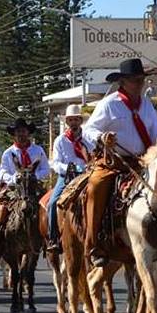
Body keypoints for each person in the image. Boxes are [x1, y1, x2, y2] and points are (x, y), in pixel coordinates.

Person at [82, 58, 157, 267]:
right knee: (96, 186)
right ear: (124, 82)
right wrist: (102, 138)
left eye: (141, 80)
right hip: (114, 162)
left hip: (143, 162)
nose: (140, 84)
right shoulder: (110, 104)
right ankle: (94, 244)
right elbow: (88, 130)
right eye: (135, 80)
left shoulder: (147, 106)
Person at [47, 104, 91, 251]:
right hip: (67, 177)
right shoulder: (60, 140)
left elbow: (94, 157)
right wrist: (69, 168)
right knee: (53, 203)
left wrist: (86, 167)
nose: (73, 123)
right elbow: (55, 163)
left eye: (76, 119)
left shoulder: (88, 139)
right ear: (67, 122)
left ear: (80, 121)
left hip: (87, 175)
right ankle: (53, 238)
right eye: (70, 120)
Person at [0, 118, 51, 185]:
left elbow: (46, 169)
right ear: (14, 134)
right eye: (18, 131)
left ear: (28, 133)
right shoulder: (8, 153)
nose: (21, 134)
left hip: (36, 185)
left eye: (23, 131)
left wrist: (35, 176)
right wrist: (14, 178)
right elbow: (2, 173)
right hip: (15, 188)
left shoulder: (38, 150)